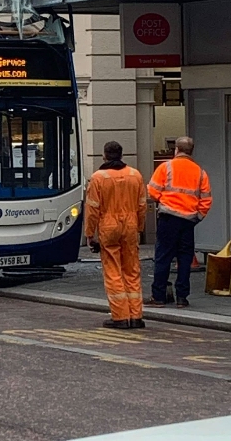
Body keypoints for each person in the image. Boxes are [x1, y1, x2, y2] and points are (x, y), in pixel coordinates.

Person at [84, 141, 147, 329]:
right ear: (121, 155)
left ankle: (120, 316)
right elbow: (142, 206)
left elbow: (92, 209)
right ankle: (136, 315)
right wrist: (140, 228)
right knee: (132, 270)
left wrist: (89, 234)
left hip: (109, 226)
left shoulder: (98, 178)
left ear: (104, 155)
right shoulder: (135, 175)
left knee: (113, 271)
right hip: (130, 226)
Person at [146, 136, 213, 308]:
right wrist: (196, 217)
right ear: (191, 151)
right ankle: (182, 298)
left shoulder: (166, 167)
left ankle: (158, 296)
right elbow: (206, 201)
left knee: (163, 257)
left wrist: (164, 201)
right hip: (188, 221)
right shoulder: (200, 172)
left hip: (168, 219)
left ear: (176, 149)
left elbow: (152, 192)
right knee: (185, 259)